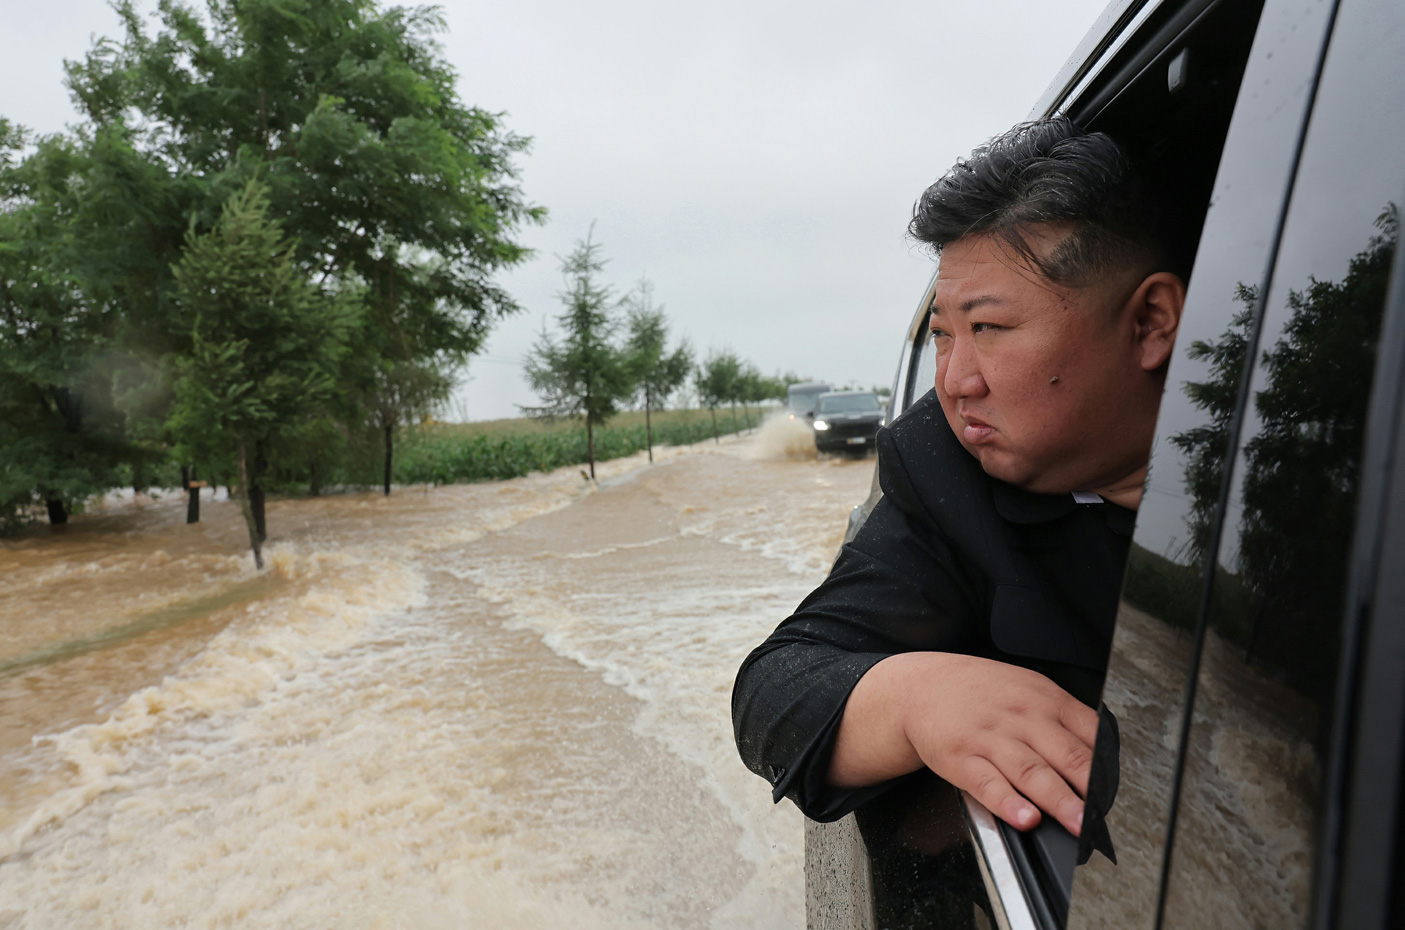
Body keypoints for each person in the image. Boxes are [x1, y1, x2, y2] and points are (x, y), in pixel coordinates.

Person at [731, 118, 1187, 842]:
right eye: (942, 334)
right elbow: (774, 693)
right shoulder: (945, 473)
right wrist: (912, 698)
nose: (952, 381)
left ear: (1150, 323)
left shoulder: (1317, 476)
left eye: (989, 329)